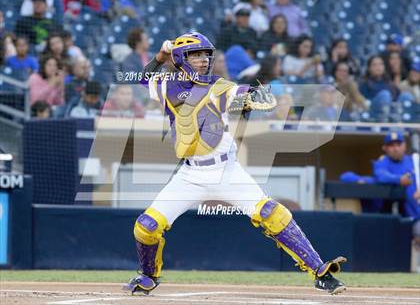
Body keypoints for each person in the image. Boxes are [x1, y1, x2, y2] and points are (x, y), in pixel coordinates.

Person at [124, 32, 346, 296]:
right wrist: (160, 57)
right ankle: (148, 276)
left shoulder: (220, 86)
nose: (204, 61)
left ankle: (320, 272)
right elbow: (143, 78)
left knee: (272, 213)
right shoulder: (167, 84)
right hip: (189, 174)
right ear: (181, 58)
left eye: (206, 55)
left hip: (227, 171)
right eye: (196, 55)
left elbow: (241, 94)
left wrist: (255, 97)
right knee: (146, 227)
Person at [373, 131, 420, 220]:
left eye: (399, 144)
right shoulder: (381, 162)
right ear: (385, 148)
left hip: (416, 210)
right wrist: (399, 179)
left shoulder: (414, 161)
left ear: (405, 146)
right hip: (390, 211)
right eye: (391, 145)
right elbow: (381, 176)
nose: (396, 148)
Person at [359, 56, 413, 122]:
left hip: (392, 110)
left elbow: (398, 98)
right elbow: (364, 102)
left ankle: (406, 121)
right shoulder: (365, 83)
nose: (378, 67)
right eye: (374, 65)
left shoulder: (389, 83)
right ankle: (385, 120)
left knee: (406, 95)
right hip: (373, 112)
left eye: (381, 64)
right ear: (369, 68)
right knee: (385, 94)